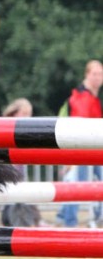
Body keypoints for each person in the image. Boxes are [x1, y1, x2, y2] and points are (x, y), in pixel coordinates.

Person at [0, 98, 43, 227]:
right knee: (3, 190)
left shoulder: (26, 132)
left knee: (21, 191)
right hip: (6, 168)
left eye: (29, 114)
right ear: (15, 113)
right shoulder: (5, 127)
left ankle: (37, 220)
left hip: (17, 171)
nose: (28, 117)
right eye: (24, 113)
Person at [56, 59, 103, 228]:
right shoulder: (82, 97)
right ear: (87, 75)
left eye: (100, 74)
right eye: (94, 74)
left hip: (92, 151)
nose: (98, 77)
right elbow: (81, 127)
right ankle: (69, 222)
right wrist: (71, 160)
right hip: (82, 151)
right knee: (77, 187)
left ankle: (67, 218)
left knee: (80, 187)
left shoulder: (89, 97)